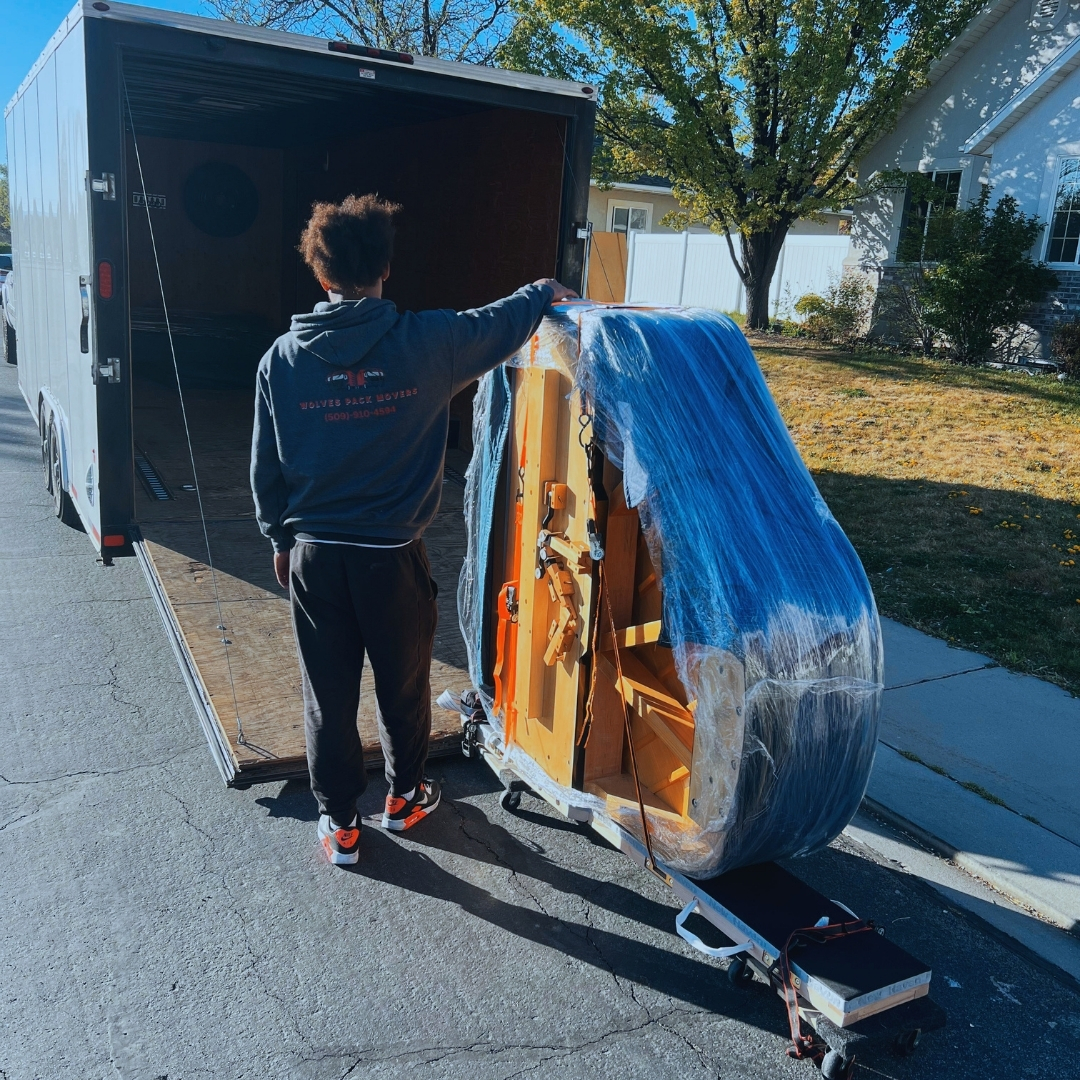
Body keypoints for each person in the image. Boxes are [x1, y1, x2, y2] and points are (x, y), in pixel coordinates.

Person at [251, 193, 577, 865]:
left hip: (315, 557)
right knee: (402, 685)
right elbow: (505, 320)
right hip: (392, 558)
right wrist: (541, 288)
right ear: (387, 269)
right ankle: (403, 799)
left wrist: (280, 540)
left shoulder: (280, 360)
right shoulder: (430, 343)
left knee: (328, 692)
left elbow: (266, 468)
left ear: (320, 275)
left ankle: (341, 823)